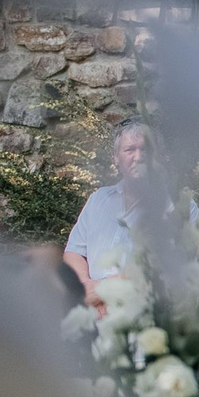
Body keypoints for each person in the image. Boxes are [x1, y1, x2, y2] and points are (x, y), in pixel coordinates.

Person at [64, 119, 160, 312]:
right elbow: (73, 253)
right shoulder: (98, 200)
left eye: (145, 149)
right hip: (91, 314)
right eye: (129, 150)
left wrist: (101, 291)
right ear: (116, 157)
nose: (138, 157)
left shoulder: (173, 207)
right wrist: (86, 290)